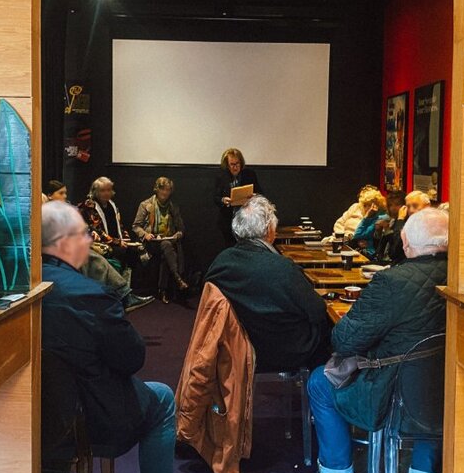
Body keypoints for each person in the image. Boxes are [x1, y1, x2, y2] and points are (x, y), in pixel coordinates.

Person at [293, 208, 449, 473]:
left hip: (394, 397)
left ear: (406, 243)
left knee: (319, 381)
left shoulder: (392, 281)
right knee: (432, 373)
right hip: (448, 392)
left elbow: (344, 340)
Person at [40, 201, 178, 473]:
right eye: (83, 234)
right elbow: (132, 358)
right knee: (163, 398)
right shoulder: (91, 296)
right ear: (63, 242)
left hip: (31, 418)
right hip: (90, 416)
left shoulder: (18, 289)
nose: (89, 240)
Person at [205, 195, 331, 372]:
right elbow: (318, 310)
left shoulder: (221, 263)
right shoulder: (283, 268)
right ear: (269, 231)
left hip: (236, 349)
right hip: (286, 351)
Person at [132, 177, 188, 303]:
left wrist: (178, 234)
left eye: (168, 190)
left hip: (166, 241)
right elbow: (135, 226)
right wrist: (145, 234)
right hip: (150, 242)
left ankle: (163, 289)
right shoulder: (146, 205)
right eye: (163, 190)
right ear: (157, 190)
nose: (165, 193)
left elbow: (181, 229)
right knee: (166, 248)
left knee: (166, 250)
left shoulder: (173, 207)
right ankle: (176, 278)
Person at [79, 176, 141, 271]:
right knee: (121, 252)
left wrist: (126, 239)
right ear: (96, 192)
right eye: (102, 190)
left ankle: (128, 282)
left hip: (115, 241)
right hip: (98, 243)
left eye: (108, 190)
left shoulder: (112, 204)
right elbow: (97, 230)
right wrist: (117, 242)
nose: (106, 193)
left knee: (135, 251)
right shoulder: (89, 206)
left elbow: (119, 225)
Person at [214, 147, 263, 246]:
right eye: (232, 164)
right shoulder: (221, 176)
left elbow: (260, 193)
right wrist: (223, 200)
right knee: (229, 246)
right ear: (227, 165)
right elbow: (215, 197)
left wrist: (254, 196)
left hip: (247, 218)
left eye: (237, 164)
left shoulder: (249, 174)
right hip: (228, 219)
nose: (235, 167)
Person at [350, 189, 388, 260]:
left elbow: (357, 235)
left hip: (372, 256)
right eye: (364, 205)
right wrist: (366, 217)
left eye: (369, 205)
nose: (366, 208)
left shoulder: (381, 218)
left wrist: (366, 217)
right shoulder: (370, 218)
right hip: (365, 254)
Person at [373, 190, 406, 265]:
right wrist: (378, 232)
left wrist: (387, 230)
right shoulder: (392, 221)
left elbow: (395, 249)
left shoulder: (404, 223)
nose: (393, 208)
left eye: (397, 204)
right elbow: (379, 249)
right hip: (382, 261)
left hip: (395, 263)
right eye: (390, 205)